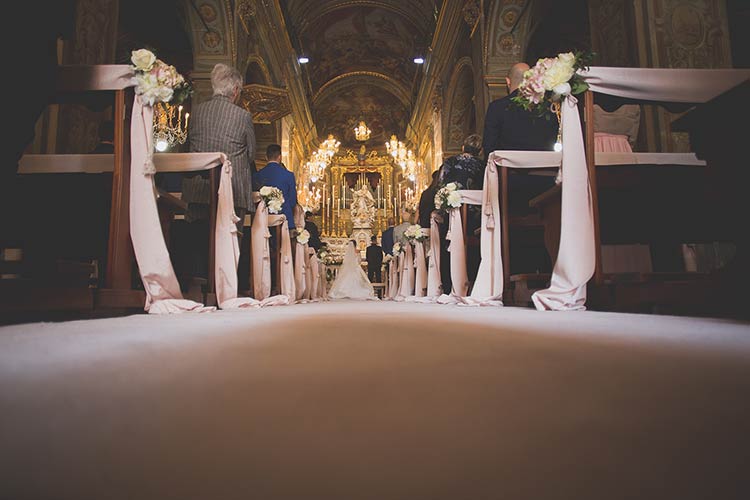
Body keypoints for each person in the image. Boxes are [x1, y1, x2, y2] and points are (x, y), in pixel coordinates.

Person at [182, 63, 256, 236]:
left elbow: (186, 146)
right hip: (232, 191)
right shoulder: (243, 116)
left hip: (198, 190)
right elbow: (251, 154)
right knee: (229, 248)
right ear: (236, 90)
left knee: (198, 245)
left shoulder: (197, 112)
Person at [481, 62, 558, 155]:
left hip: (509, 168)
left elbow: (489, 146)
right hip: (544, 167)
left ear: (508, 81)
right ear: (532, 80)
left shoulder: (497, 107)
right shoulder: (548, 107)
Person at [254, 144, 298, 230]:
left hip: (263, 218)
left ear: (266, 157)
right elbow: (293, 201)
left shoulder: (257, 175)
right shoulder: (289, 175)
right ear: (279, 157)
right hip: (285, 218)